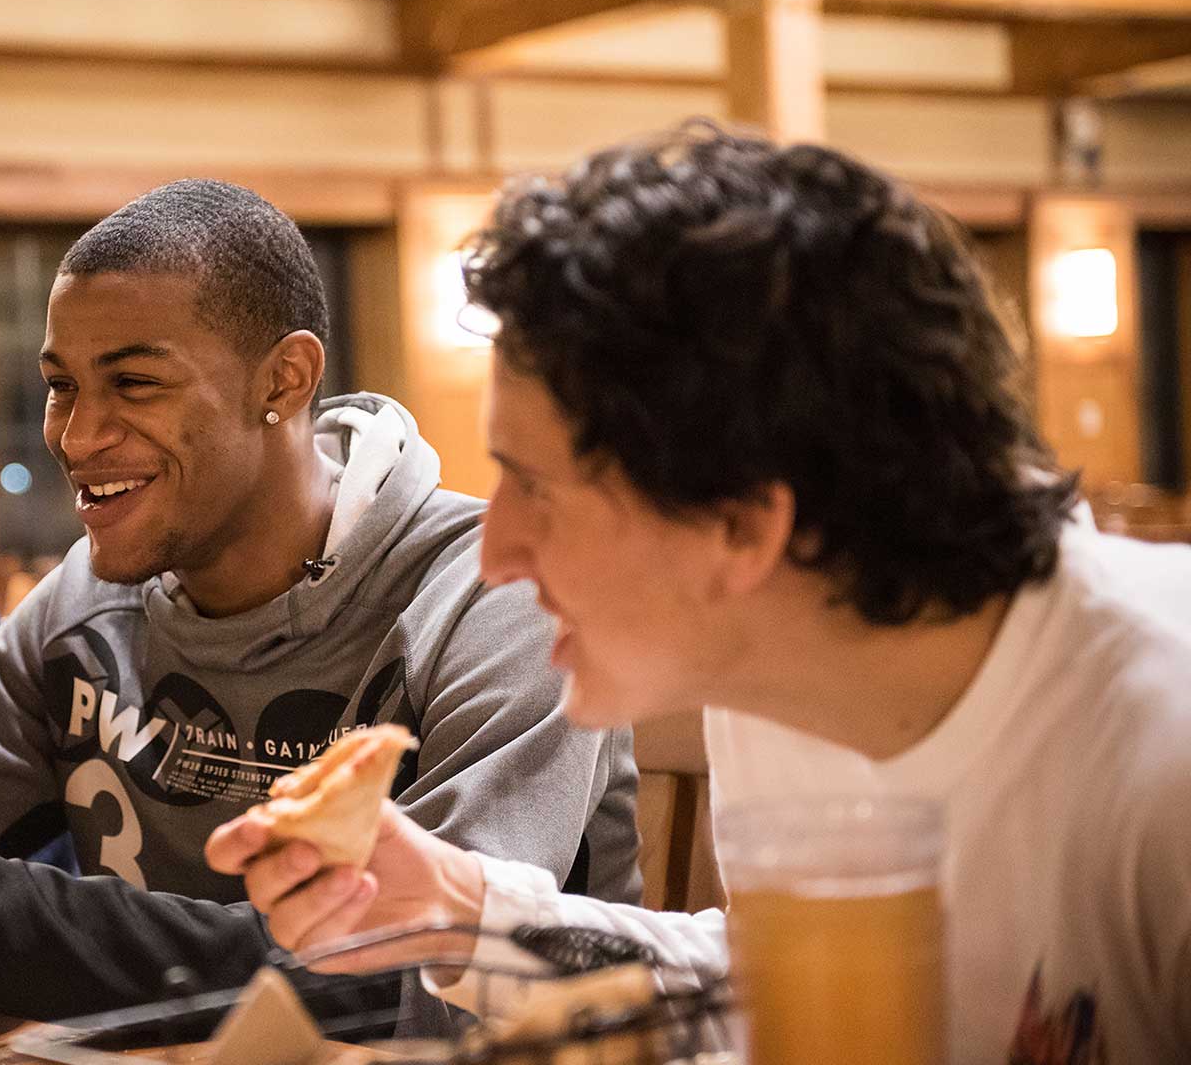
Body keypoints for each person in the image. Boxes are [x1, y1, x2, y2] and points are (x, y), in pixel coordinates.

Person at [206, 125, 1191, 1064]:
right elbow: (766, 985)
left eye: (536, 488)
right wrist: (466, 917)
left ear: (742, 527)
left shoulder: (1161, 761)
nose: (497, 550)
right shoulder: (775, 666)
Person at [0, 179, 642, 1021]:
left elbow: (423, 972)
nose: (78, 434)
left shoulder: (492, 594)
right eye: (61, 386)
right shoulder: (88, 596)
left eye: (134, 382)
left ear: (284, 378)